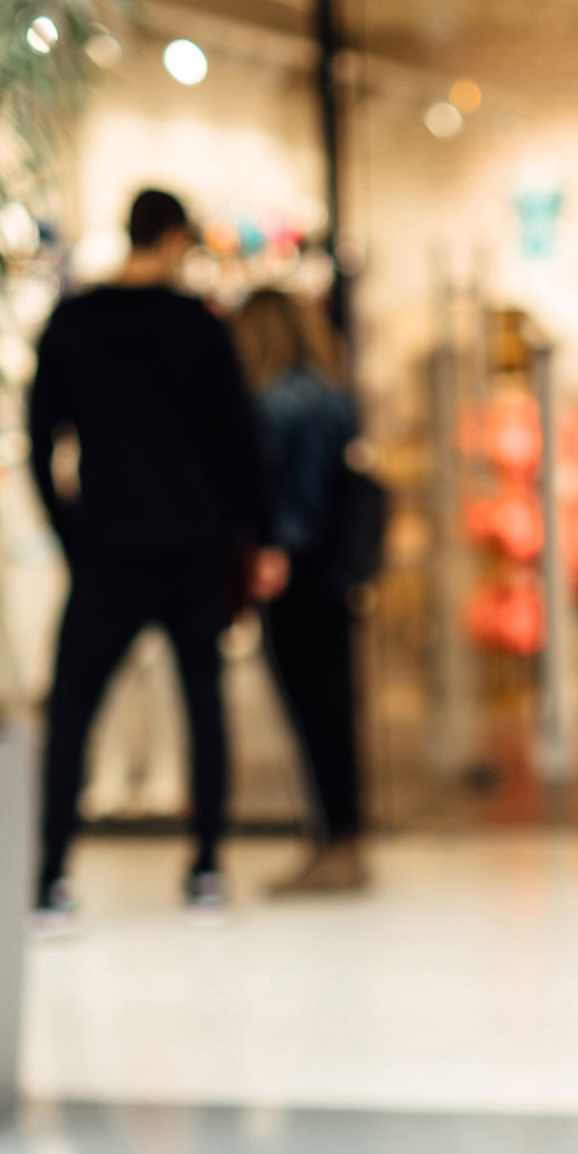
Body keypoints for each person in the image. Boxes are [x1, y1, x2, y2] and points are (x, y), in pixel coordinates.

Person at [26, 188, 282, 927]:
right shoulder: (197, 327)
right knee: (202, 701)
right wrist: (255, 533)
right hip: (193, 544)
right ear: (172, 239)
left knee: (73, 705)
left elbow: (39, 438)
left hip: (107, 546)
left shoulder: (72, 322)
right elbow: (239, 439)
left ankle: (51, 878)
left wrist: (67, 532)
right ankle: (205, 867)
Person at [233, 286, 374, 894]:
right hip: (334, 566)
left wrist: (271, 549)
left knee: (309, 707)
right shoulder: (333, 393)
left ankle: (333, 845)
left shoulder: (271, 402)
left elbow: (285, 493)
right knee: (335, 707)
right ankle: (343, 840)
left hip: (293, 566)